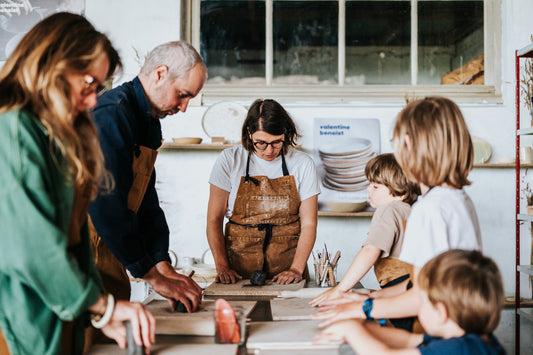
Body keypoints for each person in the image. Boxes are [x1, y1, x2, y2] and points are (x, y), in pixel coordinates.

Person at [0, 12, 155, 355]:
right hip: (21, 313)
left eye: (98, 89)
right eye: (87, 85)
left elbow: (77, 241)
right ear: (51, 66)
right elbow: (32, 249)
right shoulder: (12, 131)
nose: (91, 101)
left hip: (60, 309)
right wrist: (105, 306)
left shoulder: (55, 136)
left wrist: (97, 312)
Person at [313, 96, 482, 329]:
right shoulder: (458, 200)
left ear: (407, 143)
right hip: (461, 325)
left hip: (441, 332)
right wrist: (370, 296)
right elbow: (419, 283)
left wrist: (359, 308)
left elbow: (420, 299)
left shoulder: (430, 209)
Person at [88, 41, 206, 312]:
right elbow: (106, 206)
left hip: (111, 253)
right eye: (183, 94)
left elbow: (146, 201)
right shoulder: (113, 114)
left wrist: (162, 265)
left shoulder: (149, 122)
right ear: (160, 74)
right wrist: (151, 276)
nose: (185, 107)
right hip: (86, 254)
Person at [207, 99, 321, 284]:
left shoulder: (302, 163)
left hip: (288, 265)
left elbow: (309, 224)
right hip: (237, 267)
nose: (269, 151)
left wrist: (295, 269)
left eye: (276, 142)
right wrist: (222, 266)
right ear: (249, 133)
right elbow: (214, 219)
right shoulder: (230, 159)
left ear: (286, 134)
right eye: (261, 143)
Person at [314, 249, 506, 355]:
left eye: (420, 300)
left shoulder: (460, 349)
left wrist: (352, 330)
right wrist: (361, 328)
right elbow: (408, 339)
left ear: (441, 312)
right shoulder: (468, 338)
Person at [311, 153, 420, 329]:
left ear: (401, 193)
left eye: (376, 186)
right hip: (411, 291)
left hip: (398, 292)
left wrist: (340, 289)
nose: (368, 189)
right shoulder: (413, 211)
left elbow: (370, 251)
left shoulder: (388, 210)